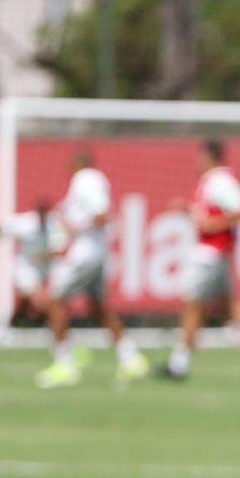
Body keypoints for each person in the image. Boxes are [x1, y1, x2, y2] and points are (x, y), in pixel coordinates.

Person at [158, 138, 240, 381]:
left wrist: (215, 224)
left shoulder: (220, 180)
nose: (196, 161)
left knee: (191, 305)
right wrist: (188, 209)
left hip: (209, 254)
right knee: (230, 307)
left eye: (200, 156)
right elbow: (211, 213)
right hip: (216, 255)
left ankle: (179, 365)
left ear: (208, 156)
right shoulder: (212, 182)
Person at [36, 151, 148, 389]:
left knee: (55, 300)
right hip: (98, 255)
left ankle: (65, 364)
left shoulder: (85, 180)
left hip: (85, 255)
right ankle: (131, 358)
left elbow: (101, 215)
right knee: (99, 310)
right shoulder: (95, 181)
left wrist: (73, 225)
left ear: (77, 164)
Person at [0, 198, 66, 360]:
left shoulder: (54, 224)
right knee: (45, 303)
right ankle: (60, 346)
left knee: (24, 311)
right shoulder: (26, 223)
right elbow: (4, 228)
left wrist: (45, 256)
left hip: (42, 271)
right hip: (24, 270)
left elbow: (59, 250)